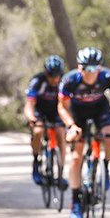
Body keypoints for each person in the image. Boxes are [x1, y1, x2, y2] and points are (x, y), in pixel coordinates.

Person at [57, 47, 110, 218]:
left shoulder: (108, 78)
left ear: (100, 68)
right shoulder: (70, 80)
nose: (90, 73)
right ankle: (76, 200)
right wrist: (71, 126)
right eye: (86, 68)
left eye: (94, 68)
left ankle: (104, 166)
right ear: (79, 68)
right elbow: (62, 107)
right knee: (77, 156)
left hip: (100, 109)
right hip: (77, 112)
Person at [25, 55, 66, 186]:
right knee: (38, 132)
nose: (54, 79)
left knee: (61, 134)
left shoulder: (64, 82)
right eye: (51, 75)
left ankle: (60, 171)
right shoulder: (37, 81)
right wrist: (31, 118)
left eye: (57, 75)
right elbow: (29, 104)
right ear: (46, 73)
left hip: (57, 111)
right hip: (40, 111)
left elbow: (69, 104)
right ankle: (36, 161)